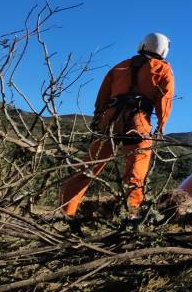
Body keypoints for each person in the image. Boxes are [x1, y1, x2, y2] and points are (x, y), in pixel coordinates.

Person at [60, 32, 175, 218]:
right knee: (135, 174)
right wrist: (160, 127)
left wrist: (98, 119)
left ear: (143, 45)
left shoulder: (119, 67)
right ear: (163, 50)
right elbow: (165, 101)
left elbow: (102, 98)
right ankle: (130, 216)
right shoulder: (162, 69)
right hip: (138, 123)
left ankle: (65, 212)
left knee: (87, 169)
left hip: (110, 121)